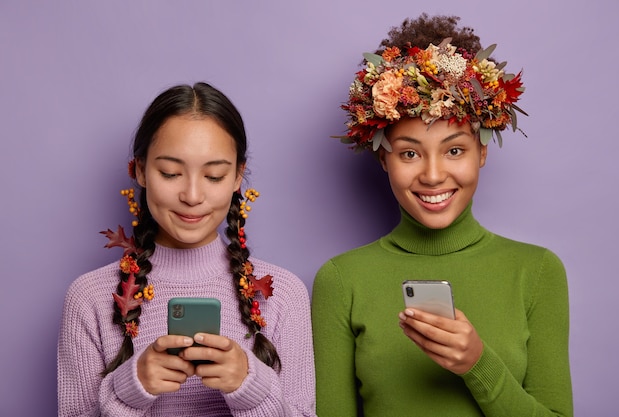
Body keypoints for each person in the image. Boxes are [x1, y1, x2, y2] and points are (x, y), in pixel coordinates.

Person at [312, 14, 572, 417]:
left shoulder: (537, 272)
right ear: (384, 157)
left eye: (454, 150)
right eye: (410, 153)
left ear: (482, 151)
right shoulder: (341, 281)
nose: (433, 176)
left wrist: (477, 365)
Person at [57, 82, 316, 416]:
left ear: (238, 177)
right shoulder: (89, 297)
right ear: (139, 171)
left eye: (214, 176)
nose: (192, 196)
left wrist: (250, 387)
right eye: (171, 173)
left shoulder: (283, 294)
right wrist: (130, 388)